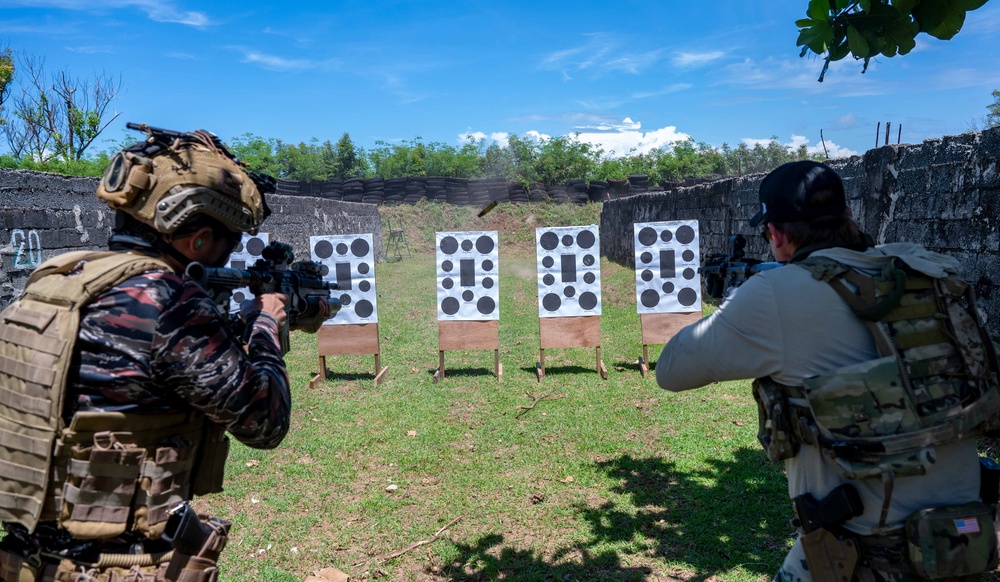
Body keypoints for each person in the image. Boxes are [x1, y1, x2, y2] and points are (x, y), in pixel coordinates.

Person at [0, 125, 329, 581]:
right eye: (229, 241)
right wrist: (268, 322)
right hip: (114, 565)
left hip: (26, 558)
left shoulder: (57, 282)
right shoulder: (168, 300)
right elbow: (265, 421)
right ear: (196, 241)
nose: (230, 253)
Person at [656, 160, 1000, 581]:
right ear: (849, 215)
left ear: (775, 234)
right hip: (966, 542)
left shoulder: (773, 294)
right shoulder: (927, 274)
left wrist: (736, 303)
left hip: (865, 555)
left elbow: (671, 370)